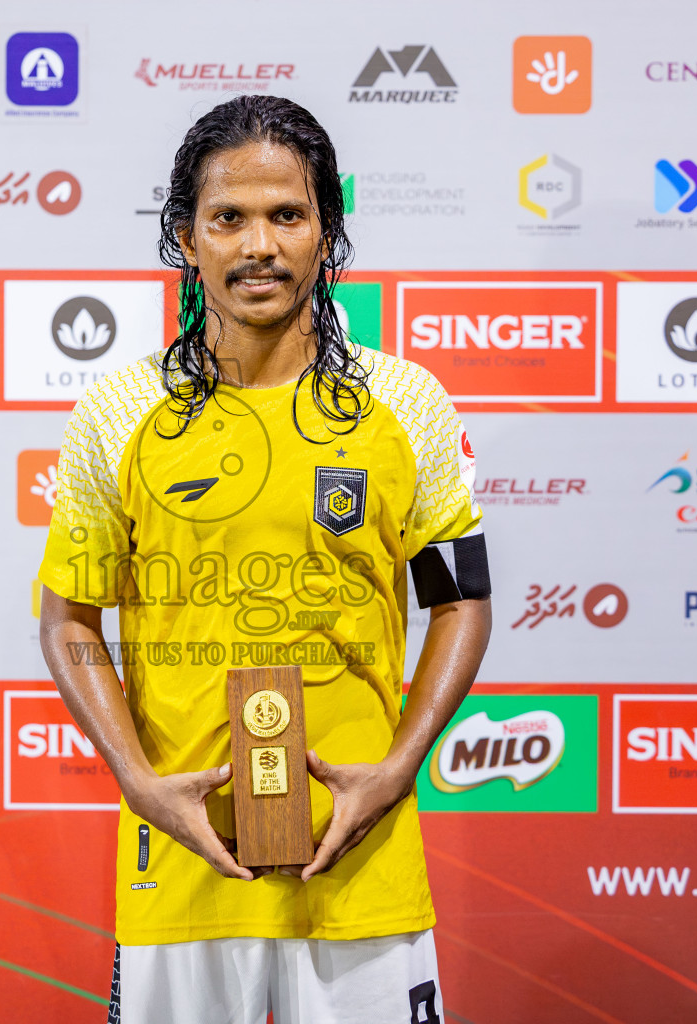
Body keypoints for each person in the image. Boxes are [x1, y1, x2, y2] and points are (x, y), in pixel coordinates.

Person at [38, 94, 492, 1024]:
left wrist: (397, 768)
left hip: (356, 860)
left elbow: (461, 600)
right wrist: (139, 782)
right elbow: (68, 619)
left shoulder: (405, 402)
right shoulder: (119, 412)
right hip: (184, 865)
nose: (260, 245)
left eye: (288, 214)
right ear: (184, 237)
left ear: (327, 232)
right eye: (229, 218)